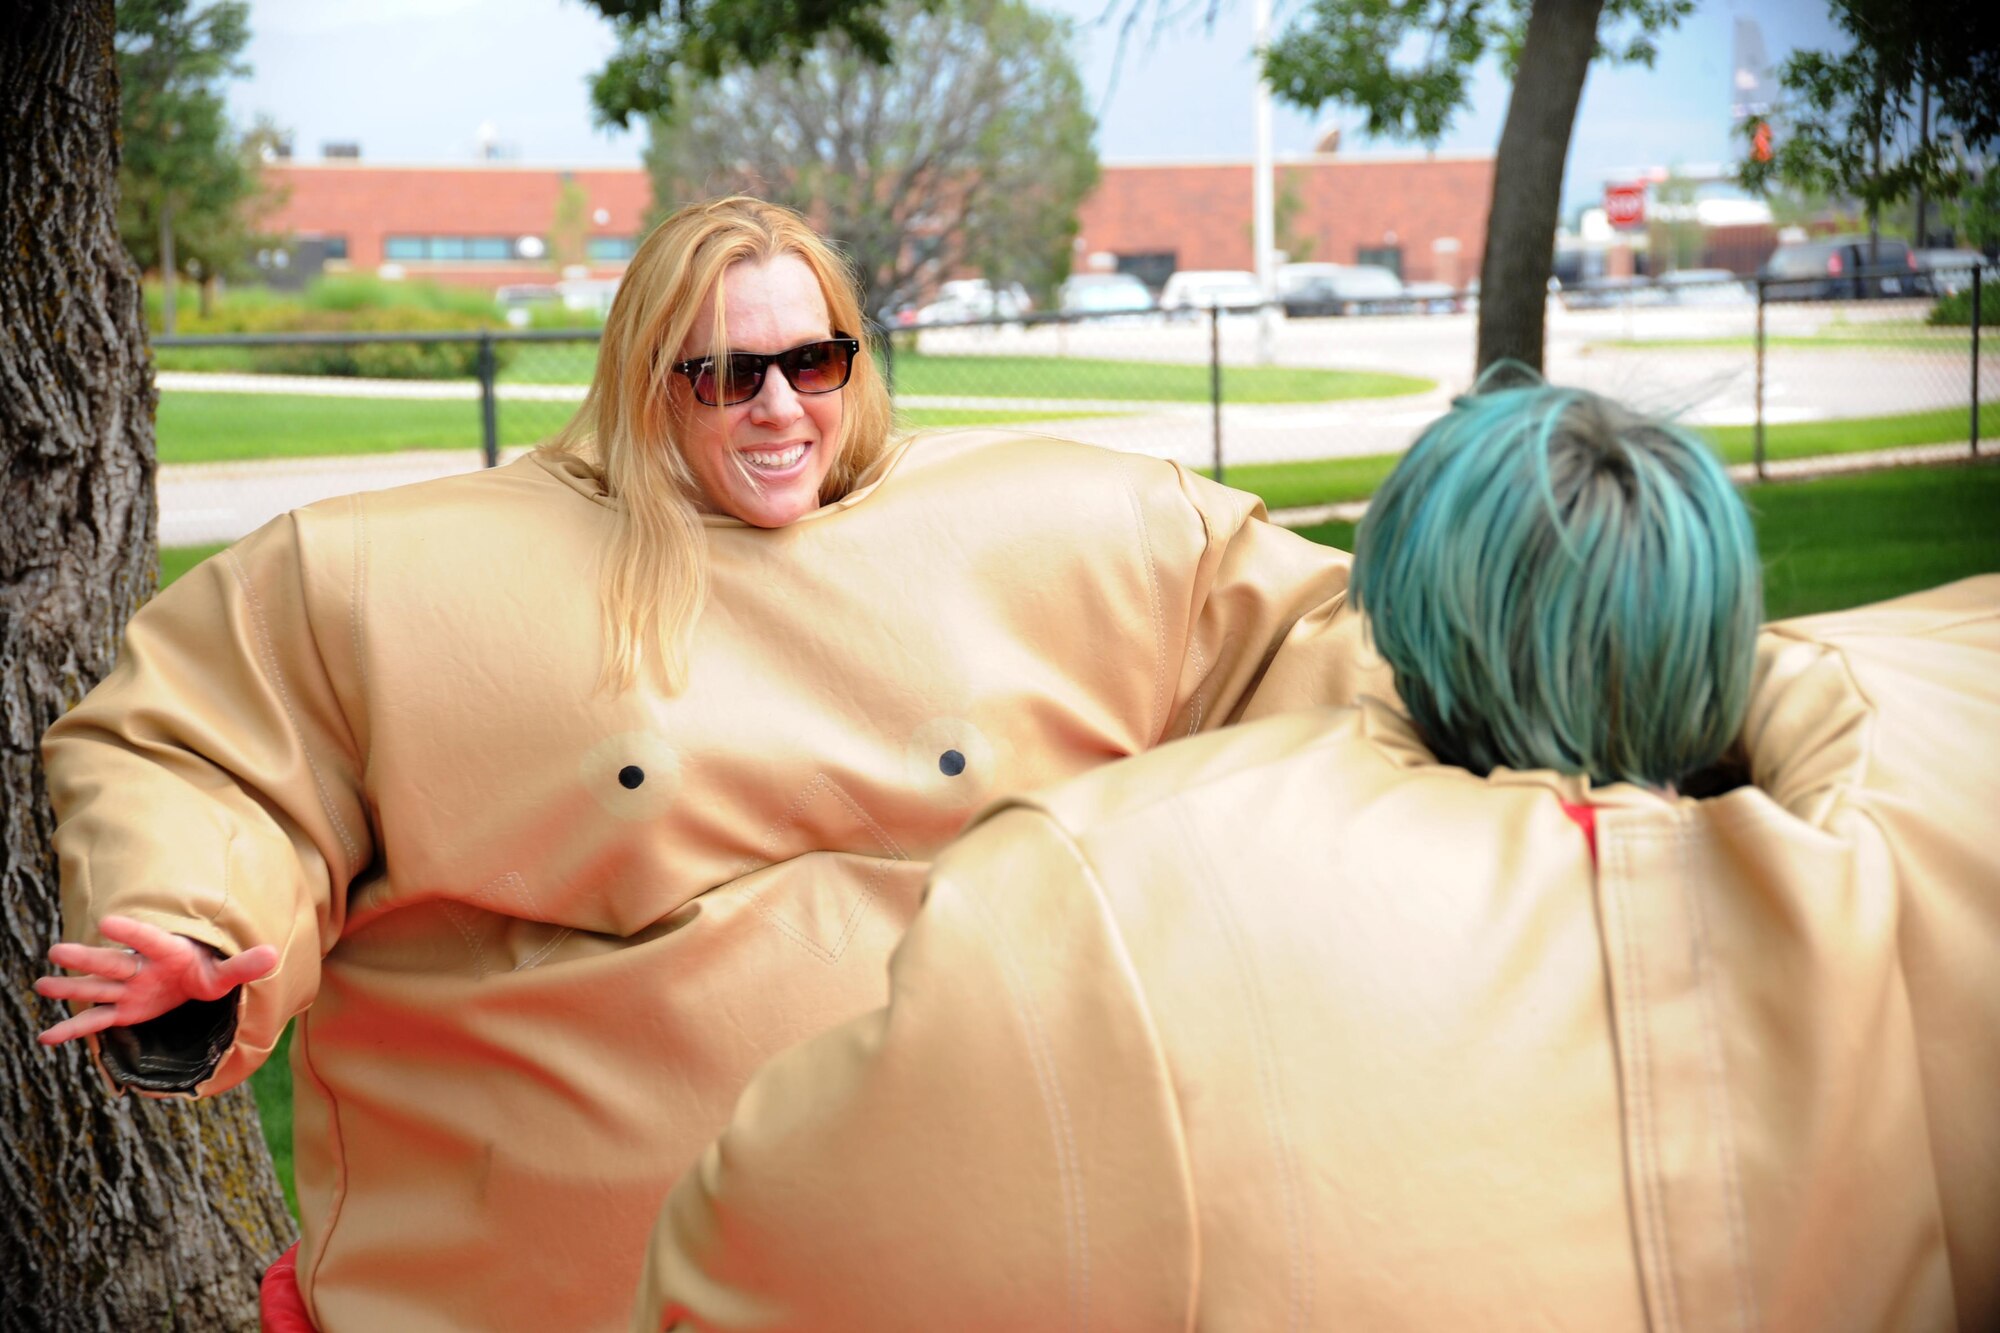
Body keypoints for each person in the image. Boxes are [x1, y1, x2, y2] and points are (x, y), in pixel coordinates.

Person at [35, 196, 1386, 1332]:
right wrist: (192, 932)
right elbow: (215, 752)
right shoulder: (400, 579)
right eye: (729, 373)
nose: (782, 406)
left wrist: (1499, 748)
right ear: (644, 384)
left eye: (817, 360)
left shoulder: (1057, 532)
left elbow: (1308, 639)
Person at [632, 379, 2000, 1332]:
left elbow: (749, 1260)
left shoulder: (1118, 901)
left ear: (1405, 630)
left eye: (807, 364)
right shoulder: (1910, 864)